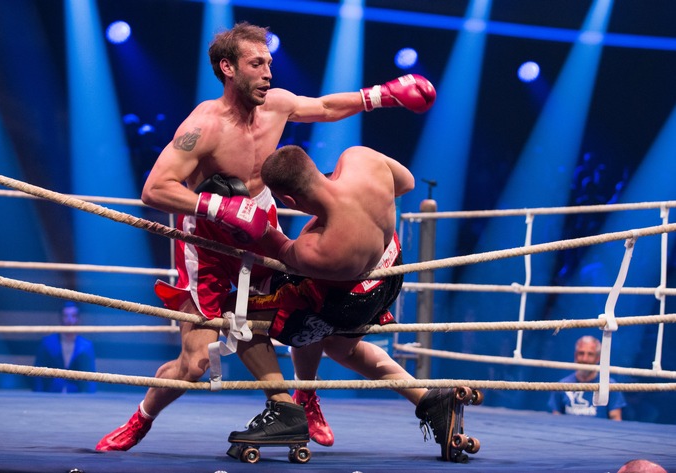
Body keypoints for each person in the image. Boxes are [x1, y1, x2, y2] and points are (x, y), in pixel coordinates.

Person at [94, 21, 436, 452]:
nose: (269, 73)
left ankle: (299, 398)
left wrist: (381, 95)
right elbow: (155, 189)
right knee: (197, 362)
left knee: (299, 304)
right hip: (207, 244)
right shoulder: (204, 125)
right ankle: (142, 419)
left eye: (269, 63)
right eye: (257, 64)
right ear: (228, 68)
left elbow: (326, 106)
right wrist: (222, 207)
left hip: (261, 229)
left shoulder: (275, 105)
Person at [225, 144, 476, 462]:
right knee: (343, 349)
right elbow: (406, 182)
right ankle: (429, 400)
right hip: (389, 271)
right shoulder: (362, 159)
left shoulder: (318, 249)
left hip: (347, 299)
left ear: (289, 201)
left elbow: (280, 249)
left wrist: (241, 213)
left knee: (237, 308)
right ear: (314, 168)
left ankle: (284, 407)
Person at [548, 335, 626, 420]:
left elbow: (616, 421)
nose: (585, 359)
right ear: (575, 356)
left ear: (598, 358)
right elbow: (556, 420)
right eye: (581, 353)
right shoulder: (562, 385)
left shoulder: (610, 386)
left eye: (590, 354)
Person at [32, 302, 96, 393]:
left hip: (76, 398)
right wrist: (37, 398)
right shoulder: (47, 343)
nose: (69, 320)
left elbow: (91, 379)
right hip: (50, 396)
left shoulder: (86, 346)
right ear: (61, 318)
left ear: (78, 319)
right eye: (66, 316)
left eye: (73, 316)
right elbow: (37, 376)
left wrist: (90, 401)